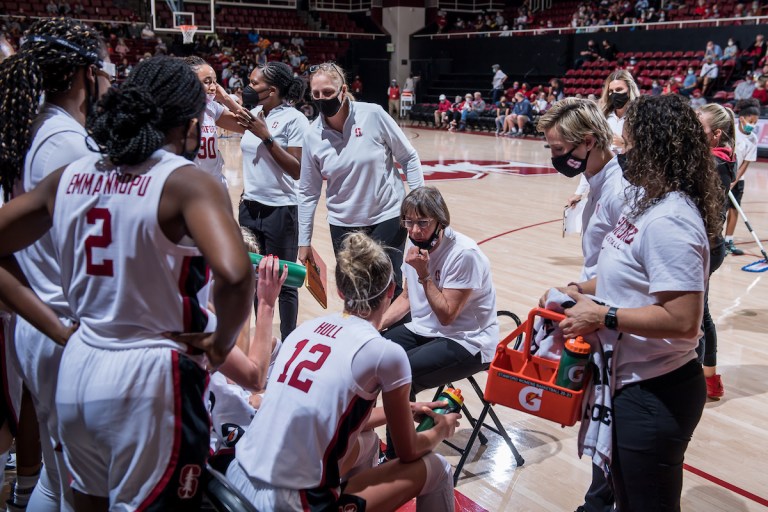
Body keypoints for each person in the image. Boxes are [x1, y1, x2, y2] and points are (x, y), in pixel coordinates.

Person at [0, 55, 253, 510]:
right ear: (189, 123)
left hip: (79, 367)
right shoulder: (184, 183)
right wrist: (219, 345)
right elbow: (236, 276)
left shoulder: (71, 176)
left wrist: (55, 327)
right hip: (149, 378)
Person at [555, 94, 722, 511]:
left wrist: (604, 314)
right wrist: (579, 291)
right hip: (631, 381)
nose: (621, 153)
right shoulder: (648, 203)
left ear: (653, 147)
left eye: (628, 144)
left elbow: (683, 319)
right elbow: (622, 272)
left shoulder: (670, 220)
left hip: (657, 390)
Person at [227, 232, 459, 511]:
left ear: (340, 291)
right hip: (287, 503)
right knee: (436, 467)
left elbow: (337, 415)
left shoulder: (303, 331)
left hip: (234, 479)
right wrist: (440, 431)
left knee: (367, 441)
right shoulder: (385, 352)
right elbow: (408, 450)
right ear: (391, 290)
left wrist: (405, 408)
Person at [0, 17, 115, 511]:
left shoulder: (44, 129)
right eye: (108, 67)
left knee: (57, 472)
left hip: (44, 321)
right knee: (81, 486)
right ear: (87, 73)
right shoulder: (65, 143)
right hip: (60, 325)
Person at [538, 98, 625, 512]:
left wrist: (576, 291)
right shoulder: (595, 180)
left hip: (613, 315)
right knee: (601, 417)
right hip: (597, 300)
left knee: (612, 421)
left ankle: (598, 503)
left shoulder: (619, 190)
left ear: (588, 142)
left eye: (559, 150)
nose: (555, 158)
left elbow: (626, 269)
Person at [380, 187, 497, 461]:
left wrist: (424, 275)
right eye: (409, 222)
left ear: (440, 221)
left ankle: (397, 458)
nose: (415, 230)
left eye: (423, 222)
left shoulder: (463, 254)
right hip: (425, 329)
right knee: (371, 354)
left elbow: (447, 315)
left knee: (400, 374)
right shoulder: (414, 245)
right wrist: (375, 325)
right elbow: (407, 298)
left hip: (468, 340)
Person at [298, 62, 423, 297]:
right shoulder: (311, 135)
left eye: (327, 93)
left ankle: (395, 333)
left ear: (343, 91)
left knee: (387, 287)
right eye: (316, 94)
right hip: (343, 223)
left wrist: (418, 204)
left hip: (387, 216)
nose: (321, 99)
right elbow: (307, 192)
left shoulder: (372, 115)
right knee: (354, 292)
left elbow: (408, 157)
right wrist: (303, 241)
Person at [234, 61, 309, 341]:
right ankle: (262, 339)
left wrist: (266, 137)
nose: (249, 87)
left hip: (280, 210)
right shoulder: (253, 113)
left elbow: (296, 169)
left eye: (254, 83)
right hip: (250, 208)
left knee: (285, 281)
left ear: (272, 90)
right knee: (254, 278)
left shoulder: (295, 119)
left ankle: (289, 342)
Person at [697, 103, 736, 399]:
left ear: (715, 134)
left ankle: (706, 379)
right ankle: (708, 378)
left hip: (705, 249)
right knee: (700, 314)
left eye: (700, 124)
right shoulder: (713, 158)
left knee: (699, 316)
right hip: (707, 246)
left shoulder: (714, 163)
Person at [567, 70, 639, 208]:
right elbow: (592, 159)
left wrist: (626, 145)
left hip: (630, 184)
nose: (614, 94)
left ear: (629, 90)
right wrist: (579, 191)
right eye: (611, 91)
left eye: (619, 89)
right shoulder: (603, 118)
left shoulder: (640, 117)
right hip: (602, 184)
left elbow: (648, 156)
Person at [183, 56, 248, 187]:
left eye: (215, 82)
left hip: (215, 183)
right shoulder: (175, 110)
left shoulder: (212, 107)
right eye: (207, 82)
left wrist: (226, 98)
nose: (213, 87)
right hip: (188, 186)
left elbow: (249, 126)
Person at [724, 99, 760, 255]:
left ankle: (728, 241)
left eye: (756, 122)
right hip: (724, 175)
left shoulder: (753, 139)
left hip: (738, 180)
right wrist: (728, 178)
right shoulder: (731, 131)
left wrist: (735, 179)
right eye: (751, 121)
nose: (752, 125)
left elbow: (746, 162)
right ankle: (715, 242)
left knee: (734, 209)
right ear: (742, 118)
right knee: (720, 209)